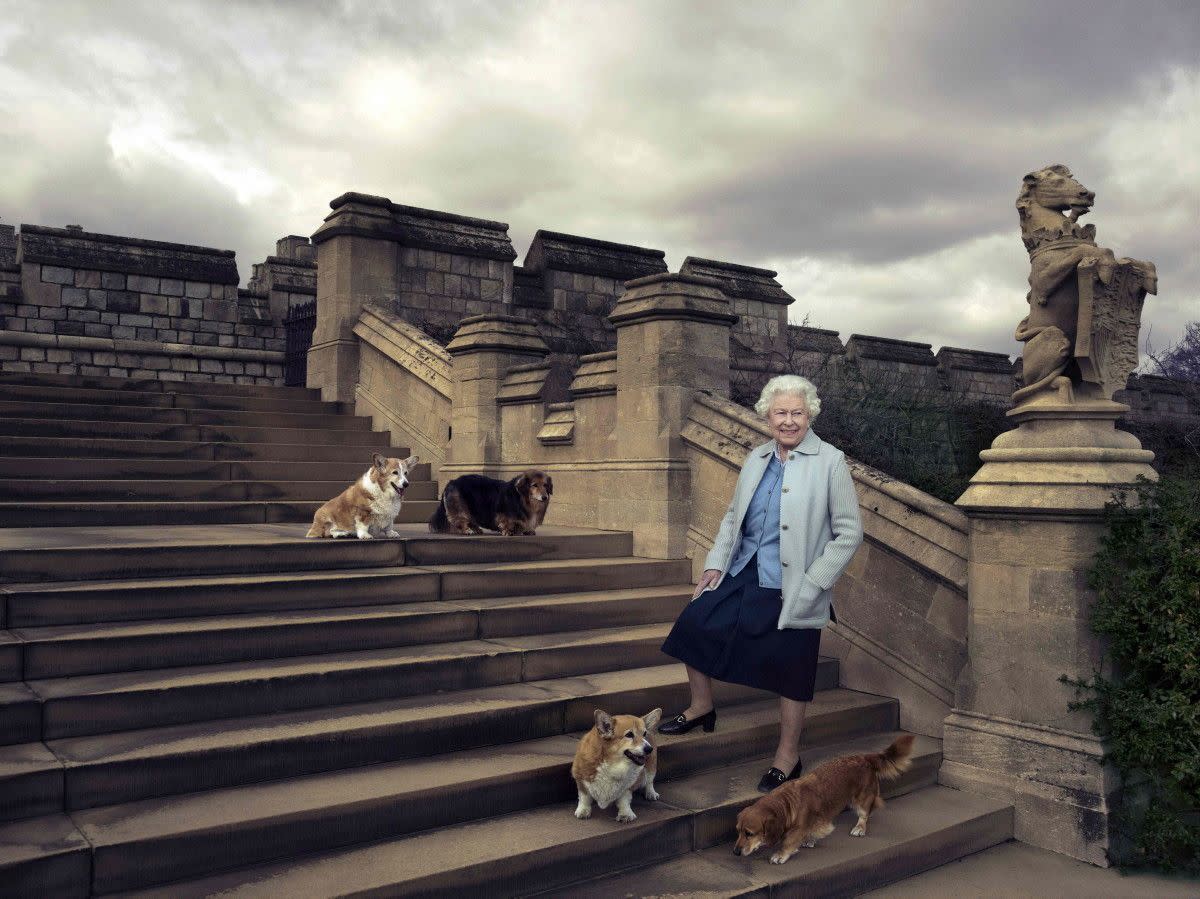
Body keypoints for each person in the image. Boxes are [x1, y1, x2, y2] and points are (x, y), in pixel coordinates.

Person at [658, 374, 863, 792]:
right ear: (767, 415)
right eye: (780, 413)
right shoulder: (757, 458)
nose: (788, 421)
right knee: (694, 625)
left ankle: (788, 757)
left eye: (797, 413)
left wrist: (815, 582)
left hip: (795, 582)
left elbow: (849, 532)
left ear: (810, 415)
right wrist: (716, 564)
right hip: (744, 568)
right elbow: (734, 517)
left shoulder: (830, 461)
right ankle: (701, 708)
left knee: (793, 669)